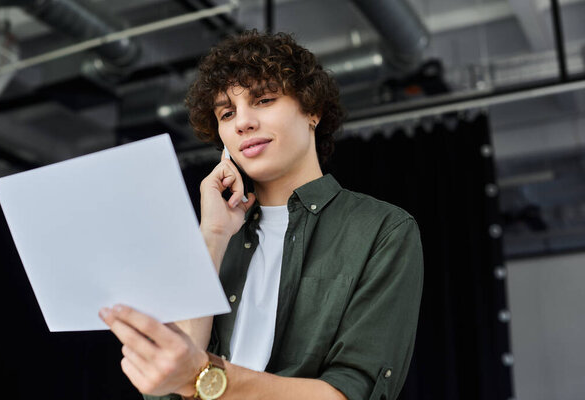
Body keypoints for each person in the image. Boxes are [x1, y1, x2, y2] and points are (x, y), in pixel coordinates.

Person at [99, 30, 424, 400]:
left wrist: (208, 378)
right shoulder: (210, 238)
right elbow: (170, 384)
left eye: (264, 99)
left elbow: (353, 393)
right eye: (227, 113)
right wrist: (213, 236)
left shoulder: (382, 230)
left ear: (312, 110)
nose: (243, 122)